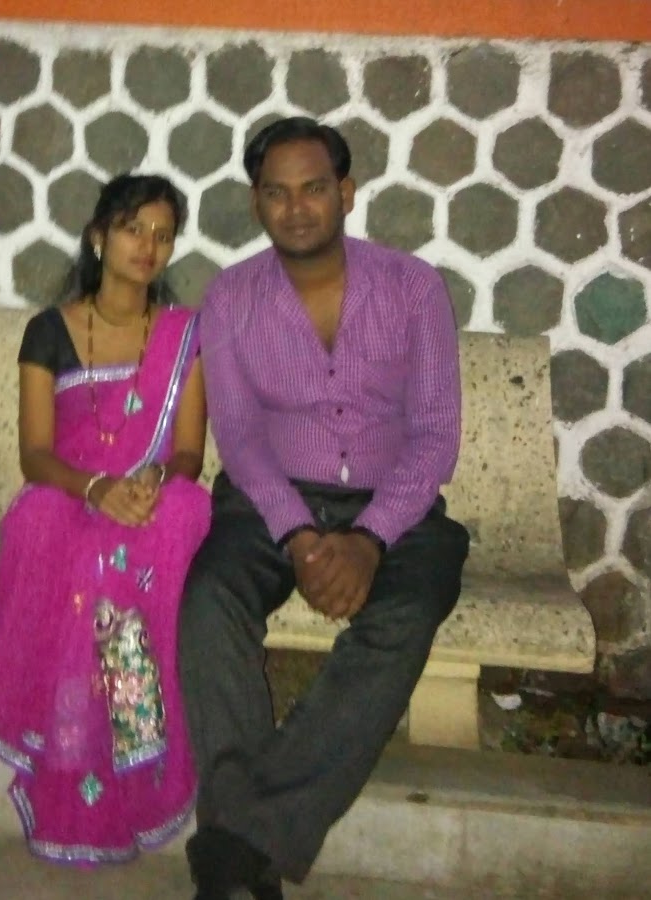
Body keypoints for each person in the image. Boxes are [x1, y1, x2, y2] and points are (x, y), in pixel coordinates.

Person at [177, 117, 470, 899]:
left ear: (346, 192)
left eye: (313, 188)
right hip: (268, 502)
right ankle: (252, 849)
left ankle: (238, 841)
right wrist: (300, 536)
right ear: (256, 203)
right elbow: (239, 436)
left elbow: (435, 435)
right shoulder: (230, 298)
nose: (296, 207)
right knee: (209, 597)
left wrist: (371, 538)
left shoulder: (414, 289)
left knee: (412, 606)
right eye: (276, 192)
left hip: (395, 506)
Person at [0, 174, 210, 867]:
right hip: (70, 492)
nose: (148, 246)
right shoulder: (49, 331)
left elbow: (188, 452)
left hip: (148, 497)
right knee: (40, 520)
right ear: (99, 237)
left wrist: (154, 480)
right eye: (133, 229)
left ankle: (134, 734)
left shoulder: (184, 337)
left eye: (163, 234)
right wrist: (96, 490)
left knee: (182, 510)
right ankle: (28, 726)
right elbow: (35, 454)